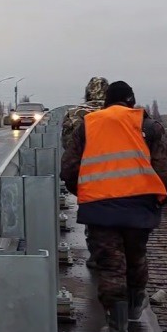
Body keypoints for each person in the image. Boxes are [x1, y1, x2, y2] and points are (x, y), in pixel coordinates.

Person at [60, 80, 167, 332]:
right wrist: (159, 200)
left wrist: (86, 192)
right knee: (136, 257)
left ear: (104, 101)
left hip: (100, 209)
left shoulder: (88, 125)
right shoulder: (148, 125)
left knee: (110, 265)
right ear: (131, 101)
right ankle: (136, 308)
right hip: (140, 207)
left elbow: (68, 169)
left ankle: (117, 328)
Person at [62, 77, 109, 270]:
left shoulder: (75, 113)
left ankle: (97, 255)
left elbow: (67, 146)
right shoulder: (119, 113)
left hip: (88, 174)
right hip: (121, 171)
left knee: (94, 216)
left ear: (87, 92)